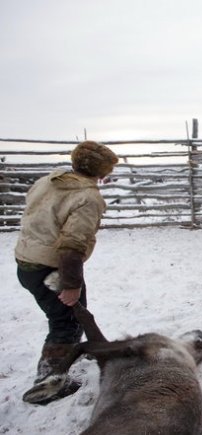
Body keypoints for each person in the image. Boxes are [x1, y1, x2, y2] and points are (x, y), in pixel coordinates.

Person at [15, 140, 118, 403]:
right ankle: (49, 384)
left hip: (27, 261)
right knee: (67, 322)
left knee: (71, 316)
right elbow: (72, 244)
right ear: (101, 171)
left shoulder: (50, 181)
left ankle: (69, 355)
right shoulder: (88, 197)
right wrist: (71, 284)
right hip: (53, 267)